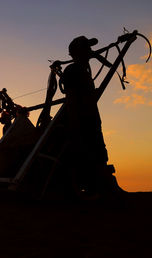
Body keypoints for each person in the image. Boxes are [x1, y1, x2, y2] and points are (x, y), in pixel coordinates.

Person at [62, 36, 122, 198]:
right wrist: (75, 121)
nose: (90, 51)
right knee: (85, 150)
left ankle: (101, 185)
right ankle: (88, 188)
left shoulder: (83, 69)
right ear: (78, 52)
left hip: (91, 118)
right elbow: (72, 97)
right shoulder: (73, 70)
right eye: (87, 48)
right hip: (82, 119)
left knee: (98, 149)